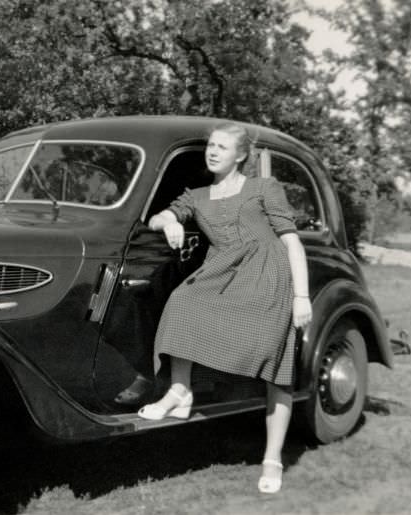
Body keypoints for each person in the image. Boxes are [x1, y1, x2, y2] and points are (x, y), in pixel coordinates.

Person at [138, 122, 312, 494]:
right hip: (224, 274)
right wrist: (169, 222)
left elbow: (292, 243)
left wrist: (302, 297)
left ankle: (273, 458)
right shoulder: (197, 195)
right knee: (183, 302)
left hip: (269, 278)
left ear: (241, 154)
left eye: (221, 146)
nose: (213, 152)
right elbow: (160, 216)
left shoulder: (264, 187)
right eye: (210, 146)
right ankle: (180, 391)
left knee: (275, 370)